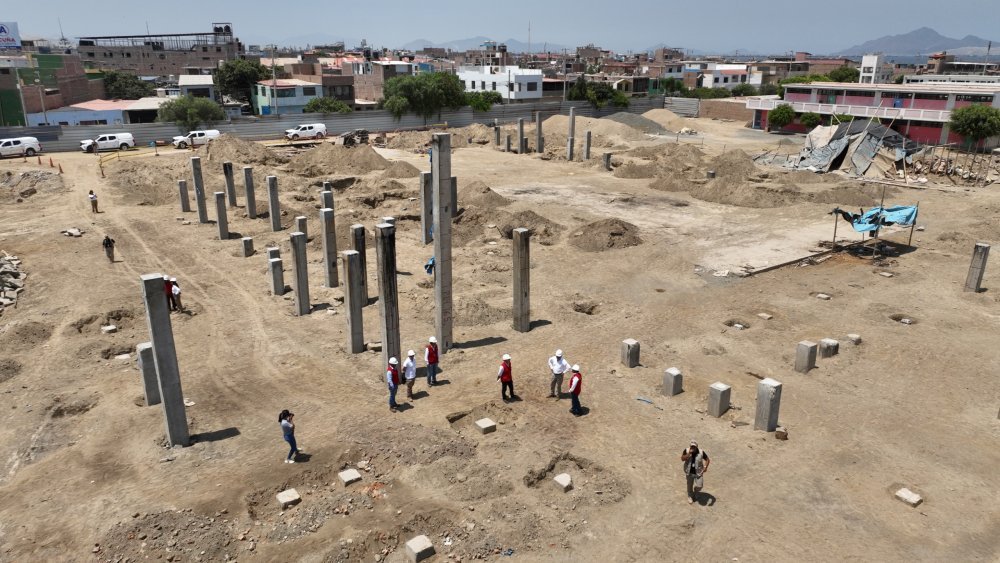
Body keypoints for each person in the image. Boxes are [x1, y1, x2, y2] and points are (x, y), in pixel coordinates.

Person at [681, 440, 710, 504]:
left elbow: (707, 459)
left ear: (697, 447)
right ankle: (690, 496)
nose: (692, 448)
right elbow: (682, 458)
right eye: (692, 446)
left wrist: (705, 467)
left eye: (694, 447)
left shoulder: (701, 452)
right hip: (689, 472)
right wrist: (689, 454)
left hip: (698, 473)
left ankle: (696, 491)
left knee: (700, 486)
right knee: (689, 485)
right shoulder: (686, 450)